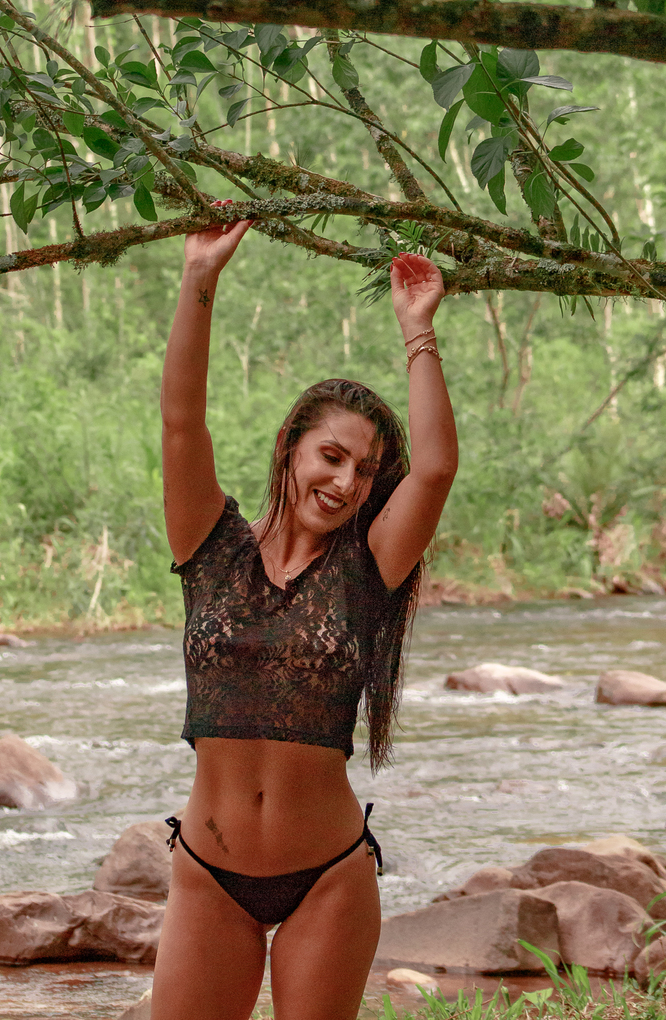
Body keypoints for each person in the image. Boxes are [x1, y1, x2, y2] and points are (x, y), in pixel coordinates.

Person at [150, 208, 458, 1020]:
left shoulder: (367, 568)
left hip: (327, 877)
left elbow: (433, 470)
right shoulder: (209, 546)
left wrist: (418, 331)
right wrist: (199, 277)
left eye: (365, 470)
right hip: (209, 873)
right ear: (291, 444)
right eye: (332, 455)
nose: (347, 482)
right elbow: (180, 422)